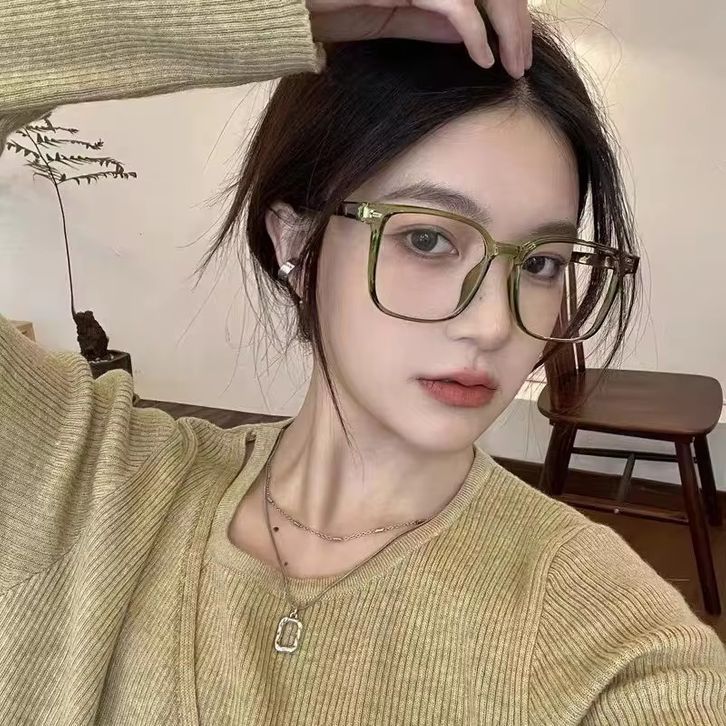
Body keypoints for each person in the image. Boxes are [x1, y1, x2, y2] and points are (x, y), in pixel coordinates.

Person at [0, 1, 724, 724]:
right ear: (295, 243)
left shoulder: (614, 642)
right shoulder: (82, 475)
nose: (494, 324)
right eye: (427, 240)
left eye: (540, 262)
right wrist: (280, 11)